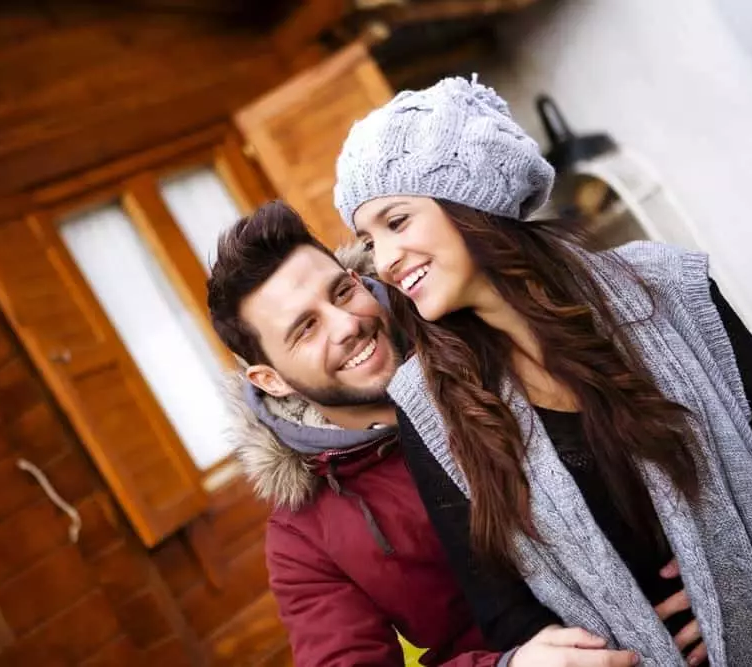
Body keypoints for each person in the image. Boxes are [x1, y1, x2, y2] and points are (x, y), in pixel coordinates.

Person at [333, 75, 752, 666]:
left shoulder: (670, 290)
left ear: (471, 201)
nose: (385, 261)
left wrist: (735, 589)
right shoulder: (427, 405)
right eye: (369, 240)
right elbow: (499, 608)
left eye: (398, 222)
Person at [206, 200, 647, 667]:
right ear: (269, 380)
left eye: (340, 293)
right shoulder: (305, 536)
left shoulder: (493, 336)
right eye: (306, 328)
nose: (348, 325)